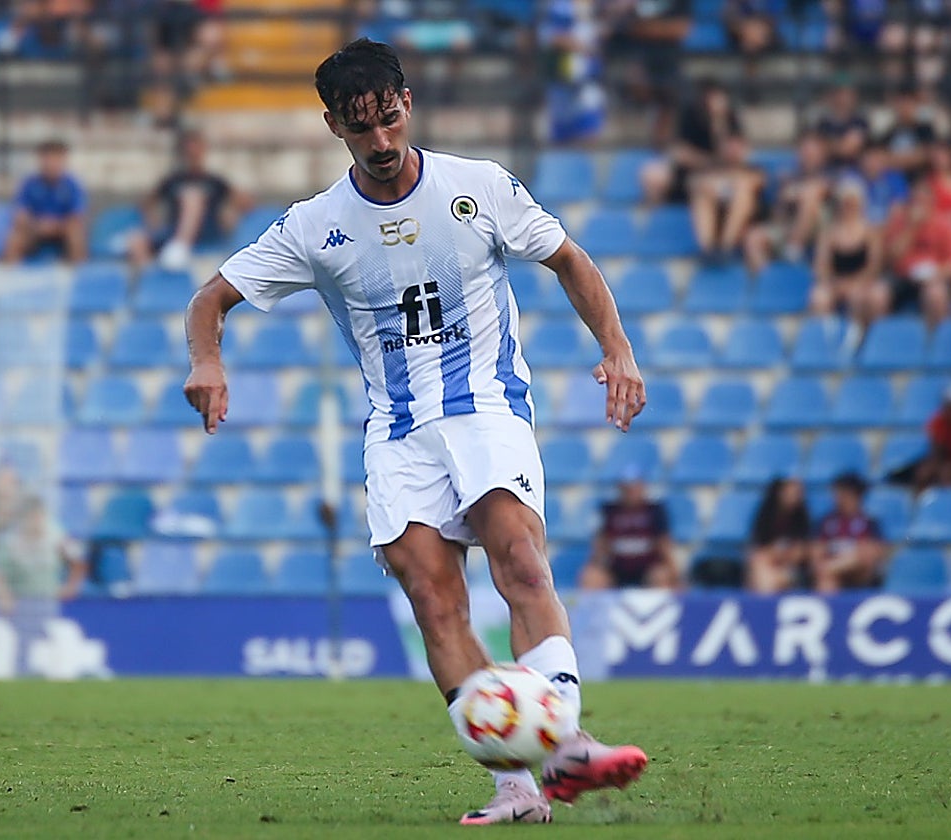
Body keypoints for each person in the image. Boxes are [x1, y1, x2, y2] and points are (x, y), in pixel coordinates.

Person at [183, 38, 648, 826]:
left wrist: (617, 347)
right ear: (334, 126)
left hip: (487, 407)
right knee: (435, 602)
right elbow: (210, 299)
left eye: (389, 119)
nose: (381, 141)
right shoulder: (316, 226)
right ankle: (515, 783)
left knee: (519, 558)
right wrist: (207, 362)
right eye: (361, 127)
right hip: (398, 432)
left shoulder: (479, 186)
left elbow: (569, 259)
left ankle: (566, 743)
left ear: (407, 102)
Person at [126, 129, 251, 271]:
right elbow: (147, 202)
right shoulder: (174, 180)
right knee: (136, 241)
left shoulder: (214, 181)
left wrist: (230, 218)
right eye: (189, 151)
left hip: (207, 235)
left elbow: (244, 202)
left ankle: (180, 247)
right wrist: (153, 223)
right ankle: (155, 277)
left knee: (193, 198)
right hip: (173, 233)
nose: (193, 155)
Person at [0, 496, 87, 675]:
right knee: (22, 649)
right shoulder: (11, 541)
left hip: (46, 601)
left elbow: (78, 562)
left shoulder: (57, 536)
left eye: (40, 516)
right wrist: (4, 594)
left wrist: (71, 587)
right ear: (24, 518)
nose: (36, 521)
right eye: (32, 516)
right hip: (20, 602)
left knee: (46, 646)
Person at [881, 170, 951, 326]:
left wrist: (933, 273)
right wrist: (912, 228)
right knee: (877, 295)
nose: (919, 205)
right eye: (915, 200)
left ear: (932, 201)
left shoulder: (946, 224)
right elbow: (892, 257)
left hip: (934, 277)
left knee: (936, 295)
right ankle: (878, 337)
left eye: (923, 200)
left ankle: (935, 337)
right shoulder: (900, 222)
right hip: (903, 277)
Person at [641, 77, 743, 206]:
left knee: (718, 186)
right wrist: (707, 161)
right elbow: (680, 152)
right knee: (652, 173)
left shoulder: (729, 117)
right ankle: (654, 215)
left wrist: (719, 122)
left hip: (718, 176)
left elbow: (732, 156)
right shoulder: (690, 113)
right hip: (688, 174)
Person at [605, 0, 692, 148]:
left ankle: (661, 144)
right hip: (631, 60)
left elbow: (681, 29)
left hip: (667, 63)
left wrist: (641, 28)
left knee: (673, 97)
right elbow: (613, 24)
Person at [743, 131, 829, 273]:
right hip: (788, 224)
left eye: (812, 151)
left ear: (821, 153)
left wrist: (796, 193)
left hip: (821, 228)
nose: (808, 155)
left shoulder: (831, 172)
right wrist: (785, 196)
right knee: (753, 237)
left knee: (810, 197)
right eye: (804, 150)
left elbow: (820, 189)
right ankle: (769, 279)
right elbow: (779, 209)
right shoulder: (790, 175)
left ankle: (794, 248)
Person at [581, 470, 679, 590]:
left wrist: (673, 569)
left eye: (635, 487)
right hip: (616, 567)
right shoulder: (609, 510)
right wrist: (595, 564)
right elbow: (601, 543)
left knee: (662, 576)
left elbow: (663, 543)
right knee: (592, 577)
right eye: (627, 488)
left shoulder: (654, 511)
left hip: (648, 567)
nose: (631, 492)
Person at [810, 177, 883, 325]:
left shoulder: (870, 232)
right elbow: (821, 266)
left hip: (862, 283)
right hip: (835, 283)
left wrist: (855, 284)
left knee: (865, 296)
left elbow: (873, 266)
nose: (849, 207)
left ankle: (861, 333)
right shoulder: (828, 233)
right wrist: (835, 284)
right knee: (818, 297)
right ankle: (827, 333)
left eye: (852, 203)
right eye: (846, 203)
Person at [3, 139, 88, 264]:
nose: (52, 164)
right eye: (48, 159)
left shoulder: (73, 185)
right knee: (15, 236)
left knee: (76, 234)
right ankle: (9, 272)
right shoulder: (29, 184)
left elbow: (76, 217)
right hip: (35, 230)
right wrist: (37, 225)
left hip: (62, 232)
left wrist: (55, 226)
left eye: (56, 159)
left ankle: (77, 271)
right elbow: (21, 214)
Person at [688, 132, 767, 260]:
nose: (732, 150)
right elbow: (693, 183)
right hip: (718, 219)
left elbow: (757, 182)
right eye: (729, 146)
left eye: (737, 146)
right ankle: (706, 249)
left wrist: (727, 183)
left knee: (743, 191)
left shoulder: (754, 169)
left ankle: (726, 247)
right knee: (702, 194)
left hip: (747, 225)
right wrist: (715, 187)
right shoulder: (712, 170)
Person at [540, 0, 607, 145]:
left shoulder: (597, 5)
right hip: (563, 80)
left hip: (589, 80)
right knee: (563, 138)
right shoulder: (560, 6)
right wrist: (583, 47)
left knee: (590, 134)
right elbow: (552, 36)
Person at [811, 472, 886, 593]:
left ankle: (830, 569)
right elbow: (817, 551)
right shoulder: (826, 522)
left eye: (843, 493)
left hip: (860, 574)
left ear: (856, 495)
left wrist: (834, 565)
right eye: (837, 493)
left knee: (860, 558)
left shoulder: (868, 521)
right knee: (827, 581)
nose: (838, 497)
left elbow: (871, 553)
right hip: (833, 572)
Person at [746, 477, 812, 594]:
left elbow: (800, 553)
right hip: (768, 567)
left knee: (768, 580)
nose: (796, 496)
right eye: (791, 492)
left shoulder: (802, 518)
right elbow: (758, 551)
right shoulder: (766, 516)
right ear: (780, 492)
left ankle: (764, 600)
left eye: (798, 493)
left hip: (792, 570)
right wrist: (774, 554)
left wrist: (781, 555)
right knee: (760, 568)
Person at [879, 82, 938, 175]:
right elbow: (881, 157)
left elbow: (925, 155)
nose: (905, 107)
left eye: (909, 103)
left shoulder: (925, 129)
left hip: (918, 178)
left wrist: (894, 160)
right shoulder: (890, 131)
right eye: (901, 103)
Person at [813, 77, 869, 172]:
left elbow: (848, 149)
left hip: (853, 170)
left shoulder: (859, 121)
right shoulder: (823, 122)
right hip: (826, 169)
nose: (843, 99)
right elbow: (817, 149)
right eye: (840, 94)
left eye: (847, 94)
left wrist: (828, 145)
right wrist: (835, 145)